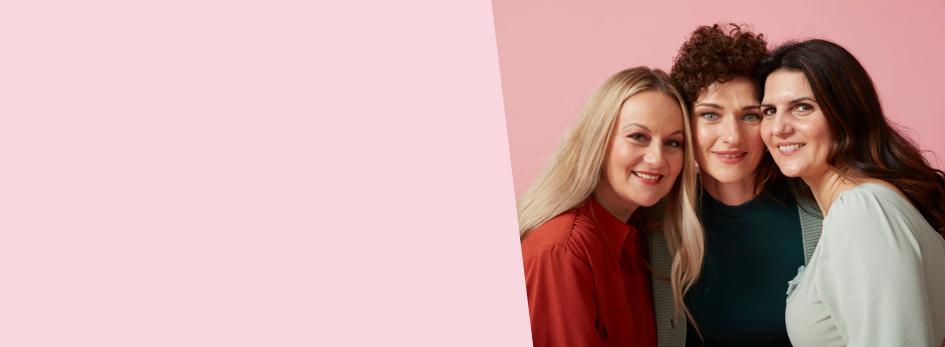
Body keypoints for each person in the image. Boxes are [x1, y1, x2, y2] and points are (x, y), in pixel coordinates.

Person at [644, 24, 824, 347]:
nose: (731, 136)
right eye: (710, 115)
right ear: (686, 122)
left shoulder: (817, 209)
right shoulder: (655, 216)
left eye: (751, 116)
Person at [756, 38, 945, 346]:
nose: (778, 127)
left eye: (802, 108)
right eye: (769, 111)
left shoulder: (863, 210)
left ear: (845, 114)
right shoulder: (853, 209)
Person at [519, 67, 704, 347]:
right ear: (598, 140)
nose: (656, 158)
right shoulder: (561, 251)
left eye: (672, 143)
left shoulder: (645, 233)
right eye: (638, 136)